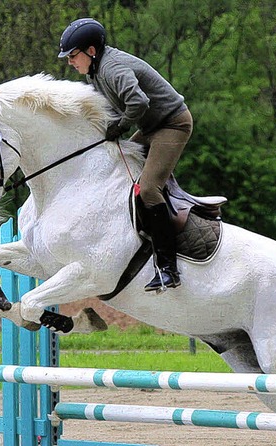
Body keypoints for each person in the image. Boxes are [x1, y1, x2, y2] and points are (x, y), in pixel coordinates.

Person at [58, 18, 193, 293]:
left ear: (91, 51)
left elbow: (139, 102)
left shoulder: (112, 68)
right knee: (115, 168)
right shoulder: (94, 72)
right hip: (151, 125)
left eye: (73, 55)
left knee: (149, 191)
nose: (70, 62)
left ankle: (168, 268)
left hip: (172, 125)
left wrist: (120, 126)